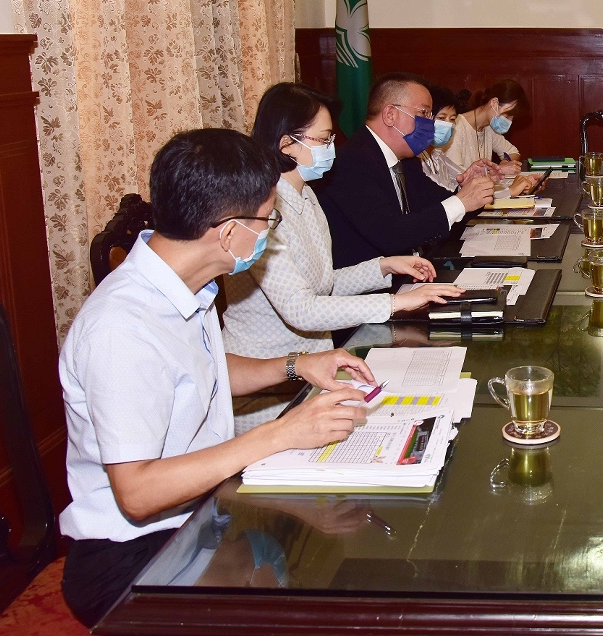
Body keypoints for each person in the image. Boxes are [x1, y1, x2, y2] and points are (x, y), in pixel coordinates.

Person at [59, 129, 376, 627]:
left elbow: (198, 370)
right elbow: (138, 494)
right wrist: (279, 434)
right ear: (229, 233)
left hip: (202, 513)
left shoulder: (185, 282)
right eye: (268, 220)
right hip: (134, 554)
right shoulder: (121, 328)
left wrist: (295, 365)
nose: (270, 233)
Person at [223, 83, 462, 433]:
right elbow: (301, 308)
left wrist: (383, 267)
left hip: (313, 372)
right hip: (268, 390)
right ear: (287, 144)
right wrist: (395, 303)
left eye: (331, 138)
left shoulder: (306, 196)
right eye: (323, 140)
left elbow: (323, 282)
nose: (332, 149)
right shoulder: (259, 209)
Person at [317, 73, 497, 269]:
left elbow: (438, 207)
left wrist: (469, 190)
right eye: (423, 113)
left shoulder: (406, 160)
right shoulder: (351, 162)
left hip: (412, 271)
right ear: (390, 115)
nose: (430, 124)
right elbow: (391, 235)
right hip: (373, 283)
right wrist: (461, 201)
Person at [447, 79, 530, 175]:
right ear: (494, 102)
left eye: (512, 118)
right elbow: (457, 176)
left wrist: (505, 162)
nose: (509, 122)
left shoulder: (489, 127)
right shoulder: (456, 127)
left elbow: (513, 152)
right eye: (507, 116)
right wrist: (498, 170)